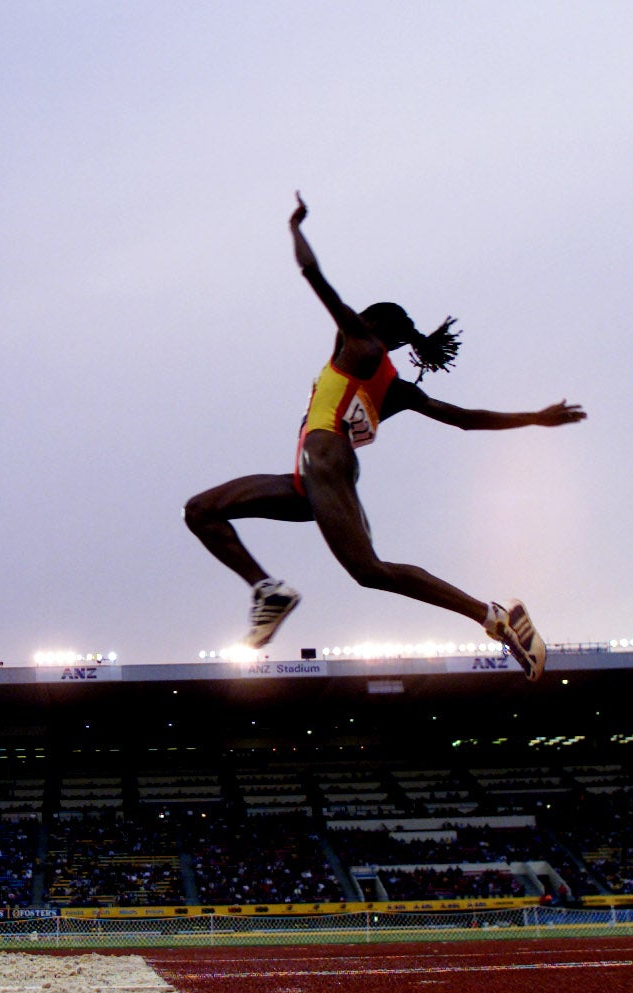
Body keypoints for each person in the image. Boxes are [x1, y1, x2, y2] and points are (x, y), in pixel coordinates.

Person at [183, 193, 585, 678]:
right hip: (310, 478)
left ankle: (494, 617)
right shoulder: (395, 387)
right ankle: (267, 589)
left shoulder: (358, 341)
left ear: (371, 323)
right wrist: (533, 419)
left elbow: (314, 276)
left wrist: (295, 228)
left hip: (323, 459)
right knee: (202, 510)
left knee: (370, 571)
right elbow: (464, 418)